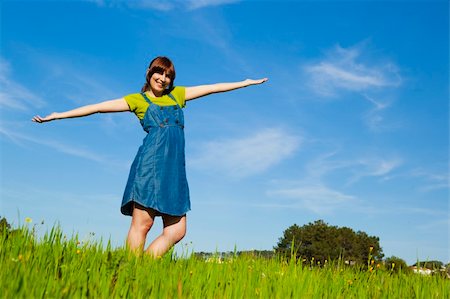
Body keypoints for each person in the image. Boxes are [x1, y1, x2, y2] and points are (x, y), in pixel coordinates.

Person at [32, 56, 268, 257]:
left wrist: (245, 83)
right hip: (151, 163)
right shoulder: (138, 100)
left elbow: (213, 87)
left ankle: (142, 267)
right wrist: (58, 115)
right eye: (159, 73)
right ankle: (132, 273)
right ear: (149, 73)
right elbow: (97, 107)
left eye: (168, 76)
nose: (163, 79)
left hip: (174, 169)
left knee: (177, 230)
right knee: (143, 223)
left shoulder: (178, 95)